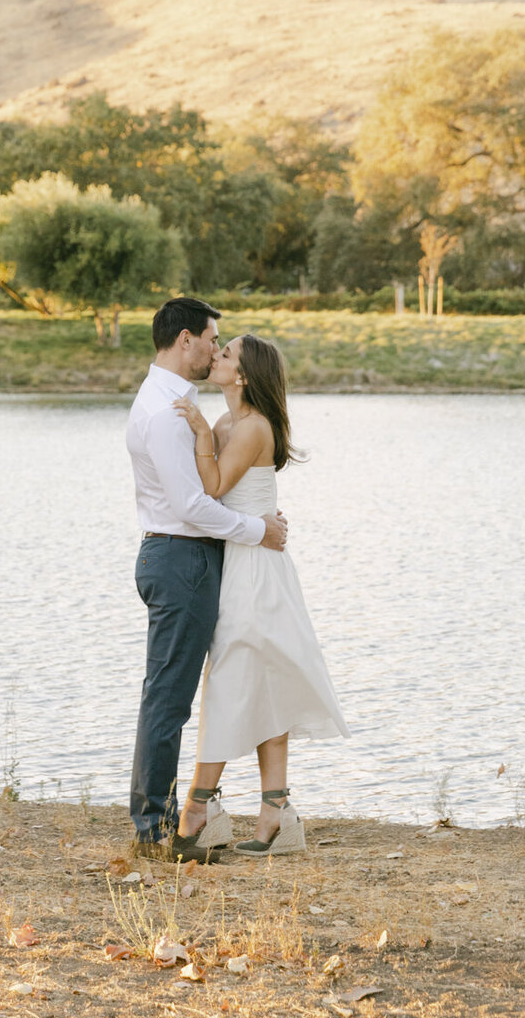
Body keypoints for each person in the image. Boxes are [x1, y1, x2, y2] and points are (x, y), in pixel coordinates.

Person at [173, 332, 349, 856]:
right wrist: (208, 428)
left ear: (244, 376)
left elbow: (212, 488)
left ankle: (202, 806)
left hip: (257, 570)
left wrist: (201, 429)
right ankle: (275, 810)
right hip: (243, 561)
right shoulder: (231, 423)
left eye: (226, 355)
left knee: (231, 677)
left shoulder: (249, 428)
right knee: (257, 682)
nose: (216, 357)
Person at [126, 298, 288, 859]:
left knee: (177, 692)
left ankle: (190, 812)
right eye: (212, 340)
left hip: (190, 557)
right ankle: (155, 827)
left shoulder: (180, 403)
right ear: (186, 339)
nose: (215, 350)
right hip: (182, 556)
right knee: (169, 698)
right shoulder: (167, 410)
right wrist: (258, 529)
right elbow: (195, 504)